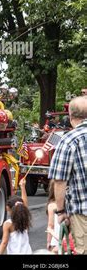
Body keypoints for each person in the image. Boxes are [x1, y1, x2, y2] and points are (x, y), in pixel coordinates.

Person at [48, 95, 87, 254]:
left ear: (71, 117)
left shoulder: (69, 140)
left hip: (82, 213)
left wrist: (61, 211)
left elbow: (59, 181)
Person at [0, 178, 32, 254]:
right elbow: (25, 205)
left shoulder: (8, 224)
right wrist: (23, 187)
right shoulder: (25, 220)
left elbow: (4, 243)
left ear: (9, 209)